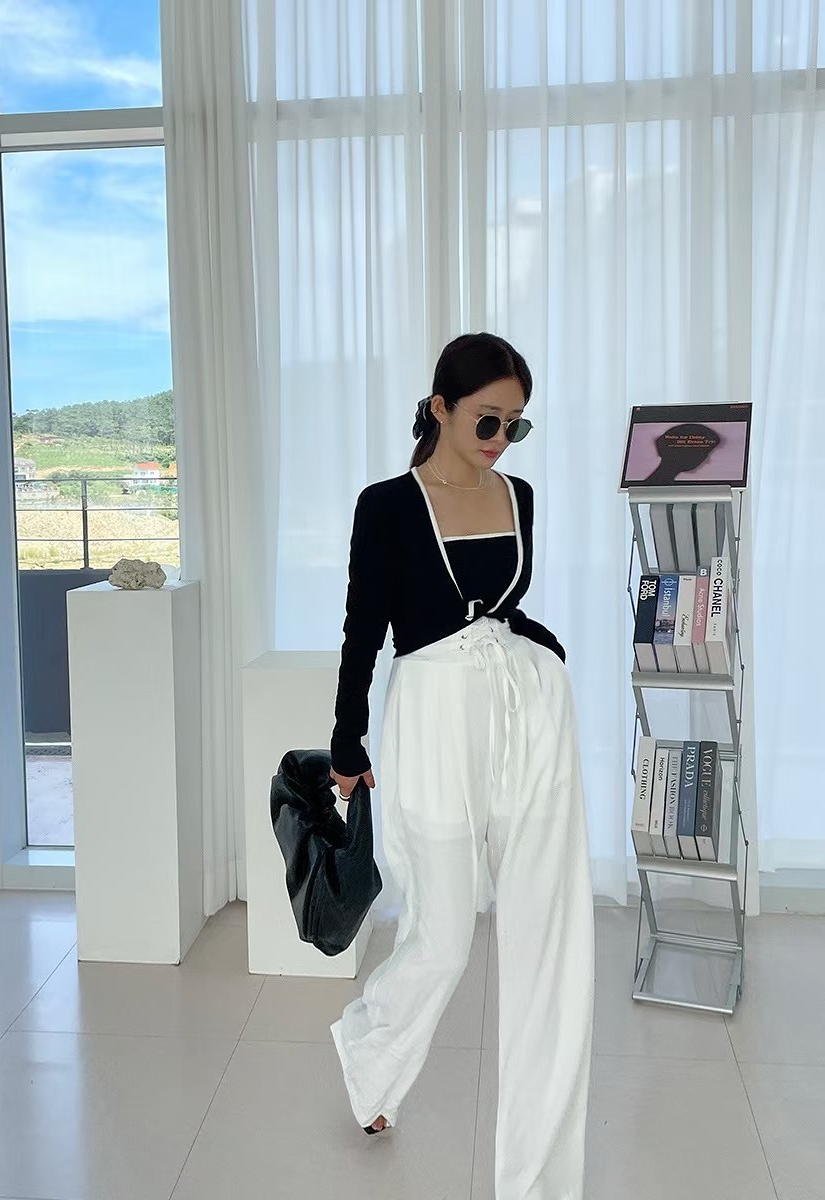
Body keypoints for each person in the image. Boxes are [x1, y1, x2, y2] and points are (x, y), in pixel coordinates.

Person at [327, 332, 595, 1200]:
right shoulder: (387, 505)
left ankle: (541, 1171)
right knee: (441, 937)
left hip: (529, 712)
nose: (500, 440)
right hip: (435, 720)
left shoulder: (519, 495)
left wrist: (543, 648)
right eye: (488, 420)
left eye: (516, 425)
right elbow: (365, 630)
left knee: (550, 934)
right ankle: (370, 1052)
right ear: (440, 407)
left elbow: (500, 606)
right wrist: (347, 742)